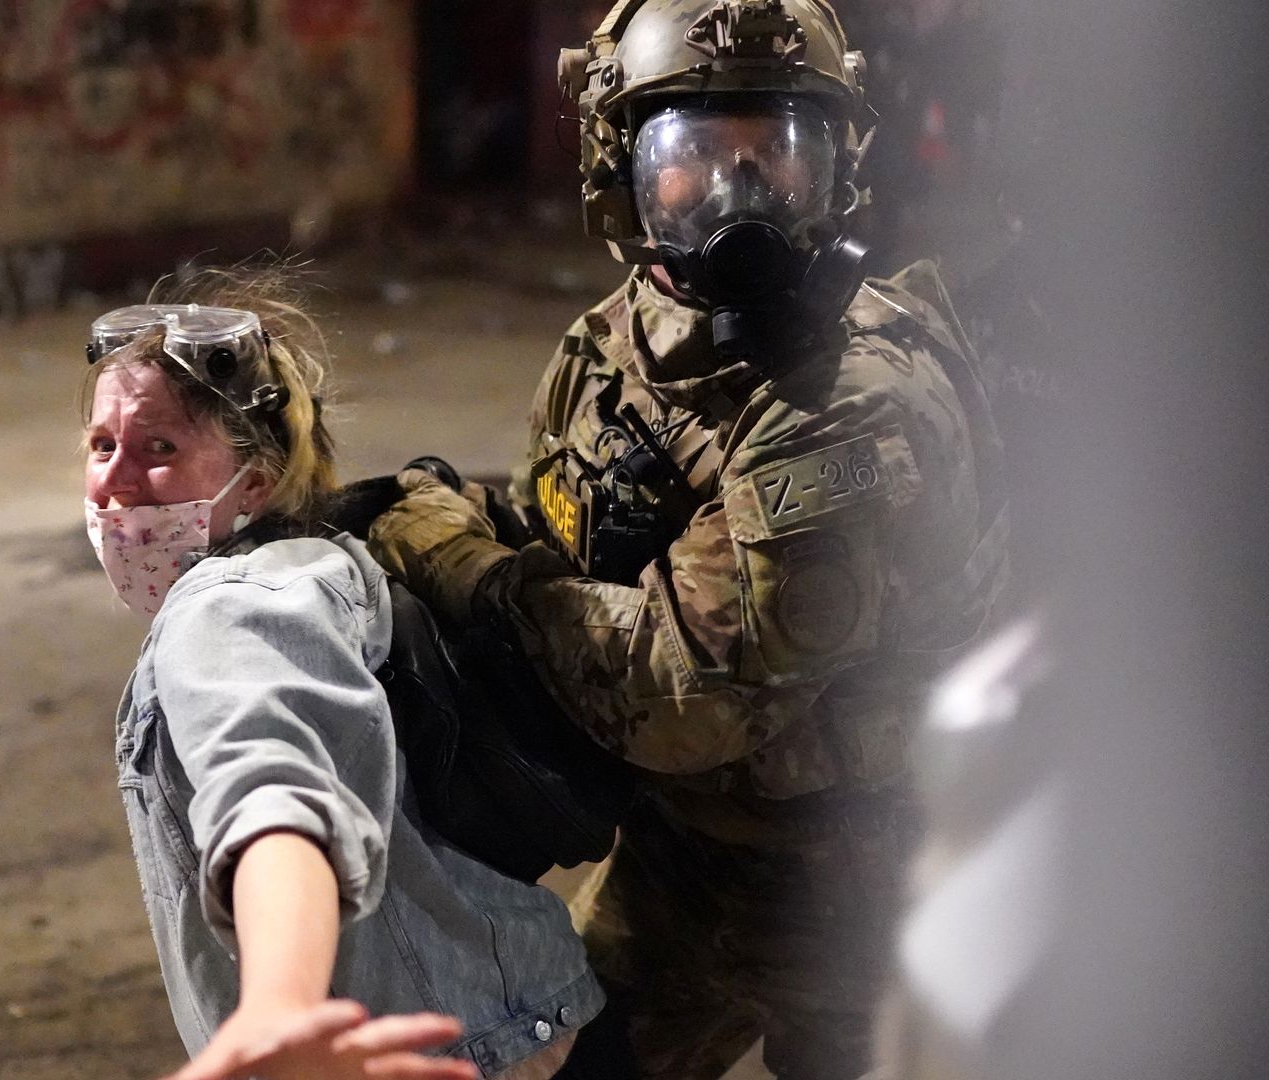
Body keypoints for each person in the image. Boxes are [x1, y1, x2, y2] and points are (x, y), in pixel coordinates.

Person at [366, 2, 1010, 1078]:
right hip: (689, 856)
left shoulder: (851, 406)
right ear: (619, 167)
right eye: (696, 155)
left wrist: (466, 566)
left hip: (865, 894)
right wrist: (477, 522)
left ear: (840, 171)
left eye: (780, 156)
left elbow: (683, 699)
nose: (738, 195)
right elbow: (570, 537)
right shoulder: (623, 343)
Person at [82, 271, 607, 1080]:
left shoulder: (231, 607)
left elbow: (273, 792)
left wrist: (282, 1008)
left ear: (255, 481)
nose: (115, 481)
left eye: (160, 449)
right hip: (509, 1014)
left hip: (448, 1055)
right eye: (101, 445)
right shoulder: (310, 559)